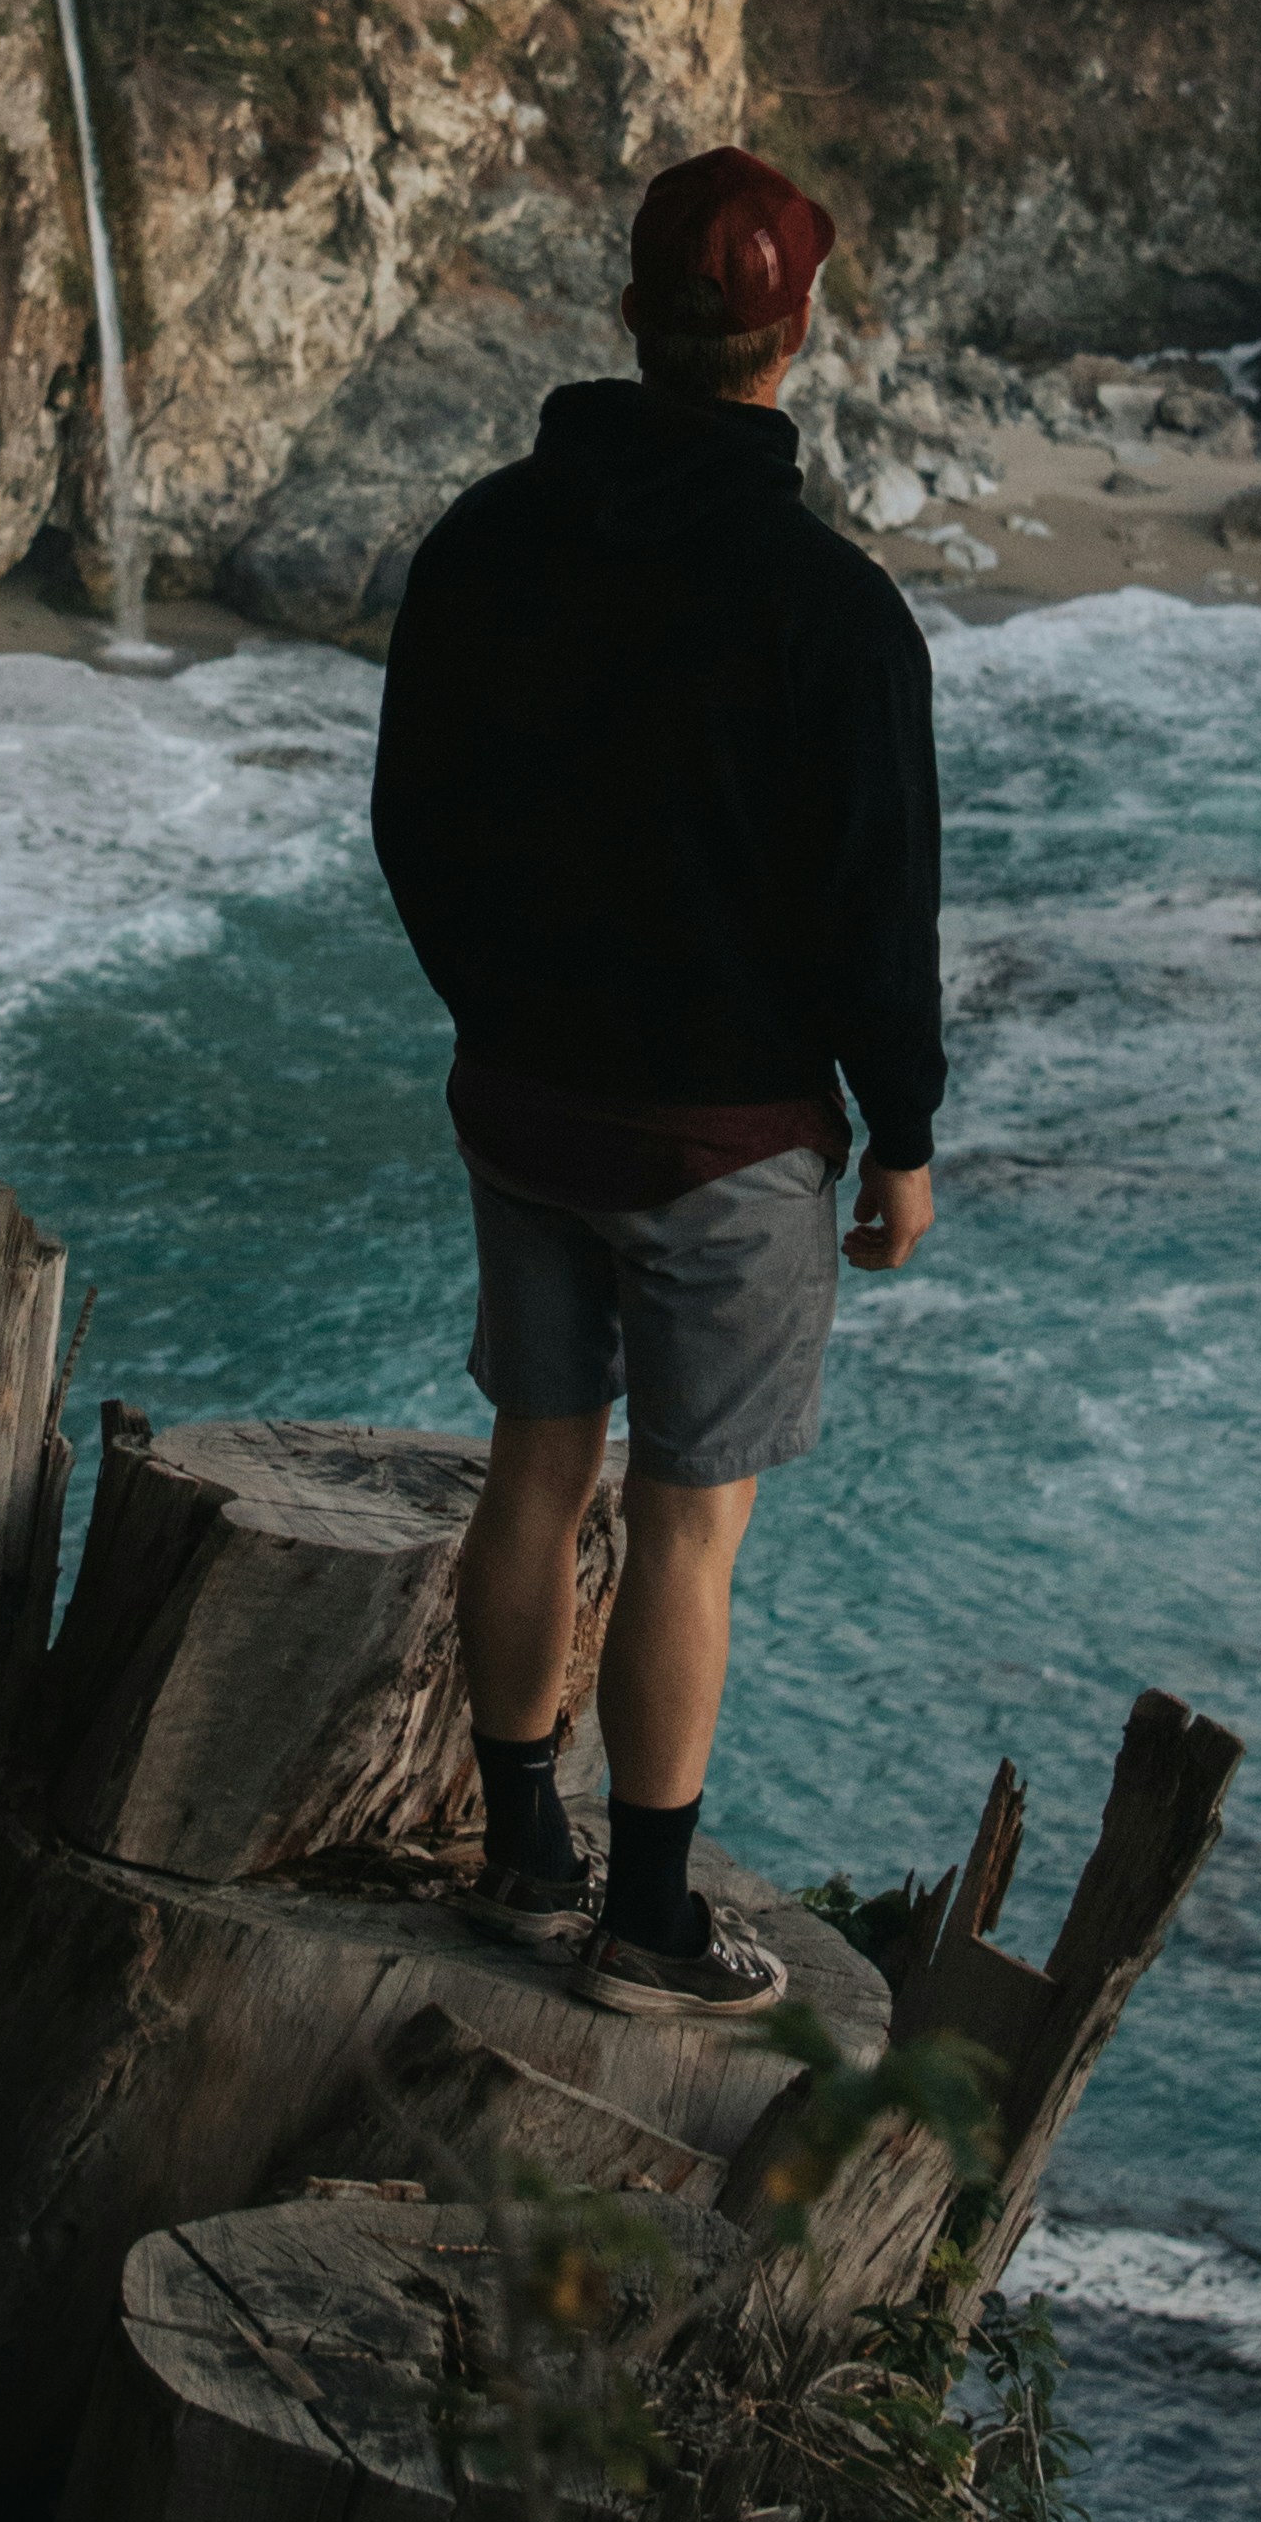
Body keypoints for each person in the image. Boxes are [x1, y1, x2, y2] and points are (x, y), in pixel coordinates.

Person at [367, 144, 943, 2016]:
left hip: (525, 1104)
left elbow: (411, 825)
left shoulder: (484, 540)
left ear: (630, 320)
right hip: (726, 1139)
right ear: (794, 339)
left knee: (537, 1467)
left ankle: (526, 1859)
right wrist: (905, 1133)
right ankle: (653, 1925)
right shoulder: (833, 607)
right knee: (690, 1525)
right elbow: (879, 910)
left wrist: (502, 1011)